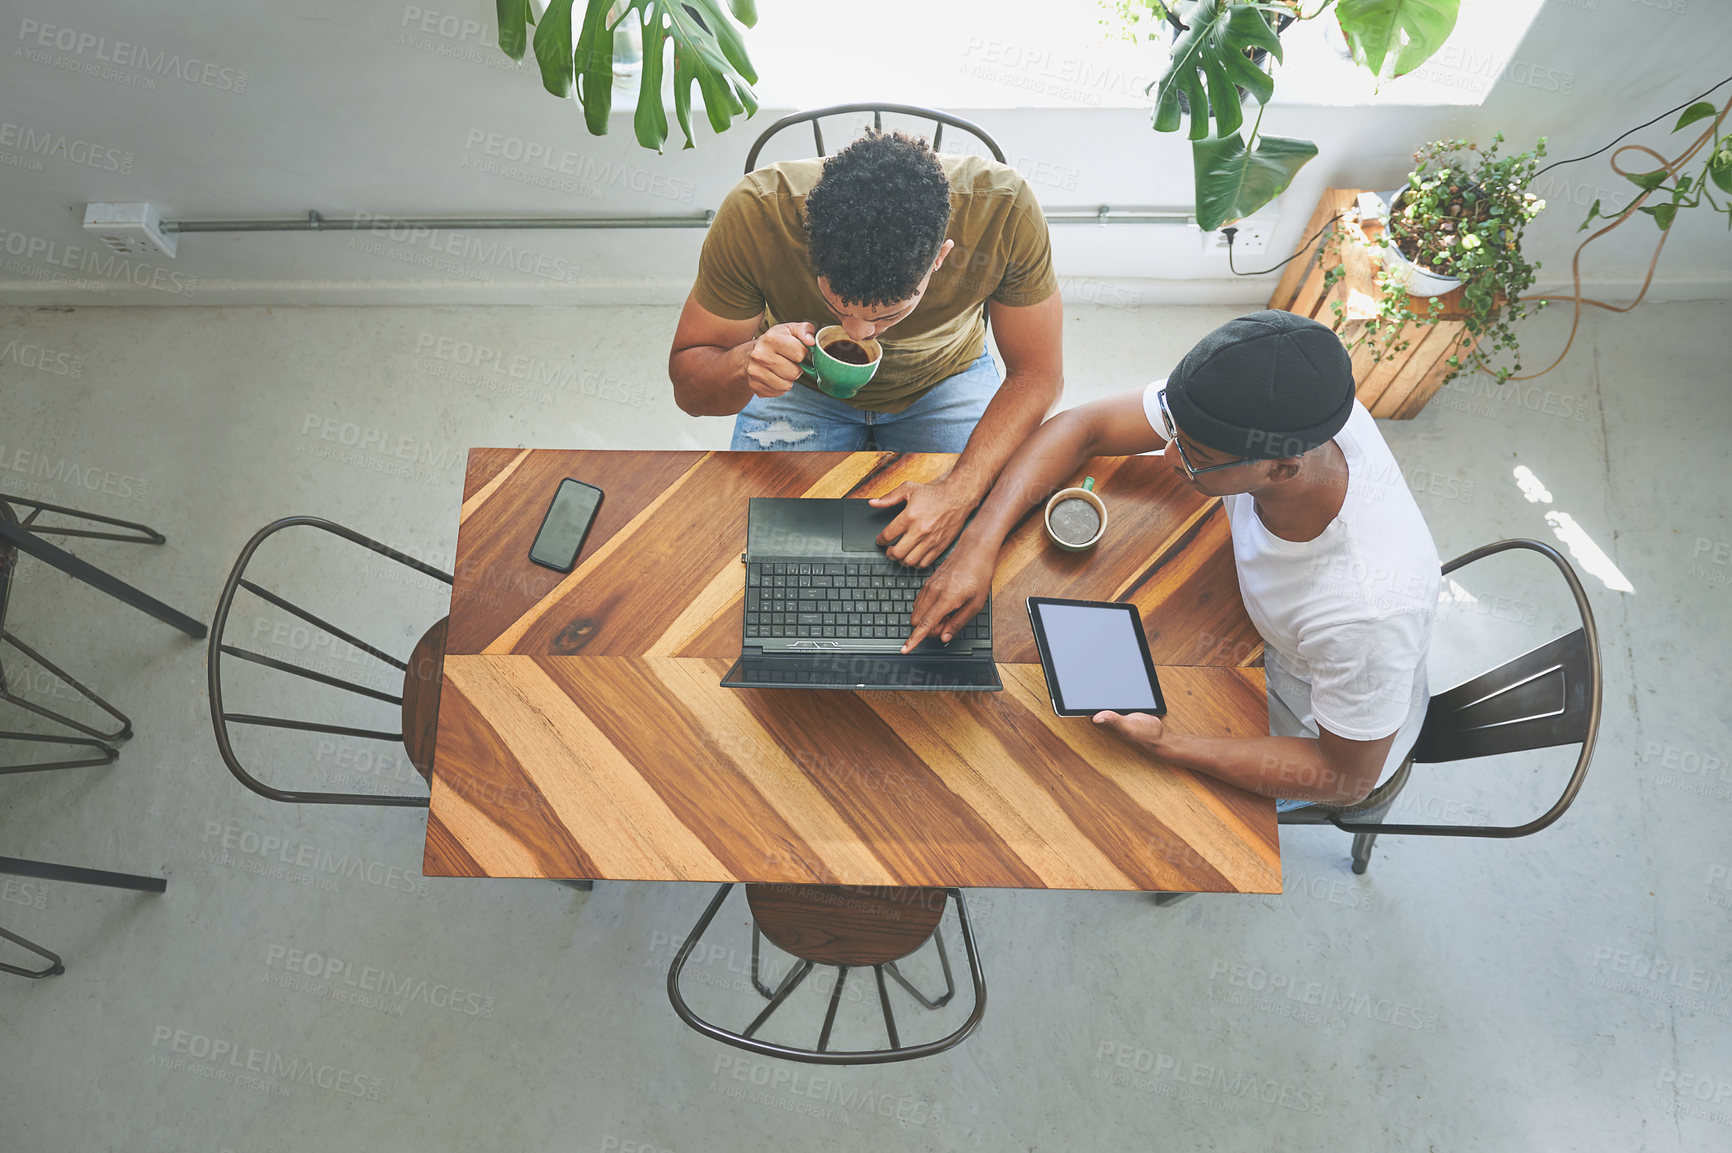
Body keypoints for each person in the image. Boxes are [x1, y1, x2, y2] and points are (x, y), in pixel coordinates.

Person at [902, 310, 1441, 807]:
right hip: (1248, 625)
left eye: (1195, 456)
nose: (1166, 454)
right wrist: (978, 543)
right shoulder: (1300, 407)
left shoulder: (1367, 611)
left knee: (1058, 781)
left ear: (1280, 468)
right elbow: (1082, 427)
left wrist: (1171, 745)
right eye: (1175, 433)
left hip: (1297, 726)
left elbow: (1344, 778)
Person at [668, 129, 1064, 566]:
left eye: (887, 316)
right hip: (799, 384)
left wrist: (959, 491)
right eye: (835, 306)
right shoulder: (758, 210)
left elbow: (1037, 375)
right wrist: (745, 363)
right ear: (810, 246)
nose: (857, 335)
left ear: (939, 257)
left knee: (977, 548)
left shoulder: (1005, 208)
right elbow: (689, 390)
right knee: (763, 549)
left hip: (947, 377)